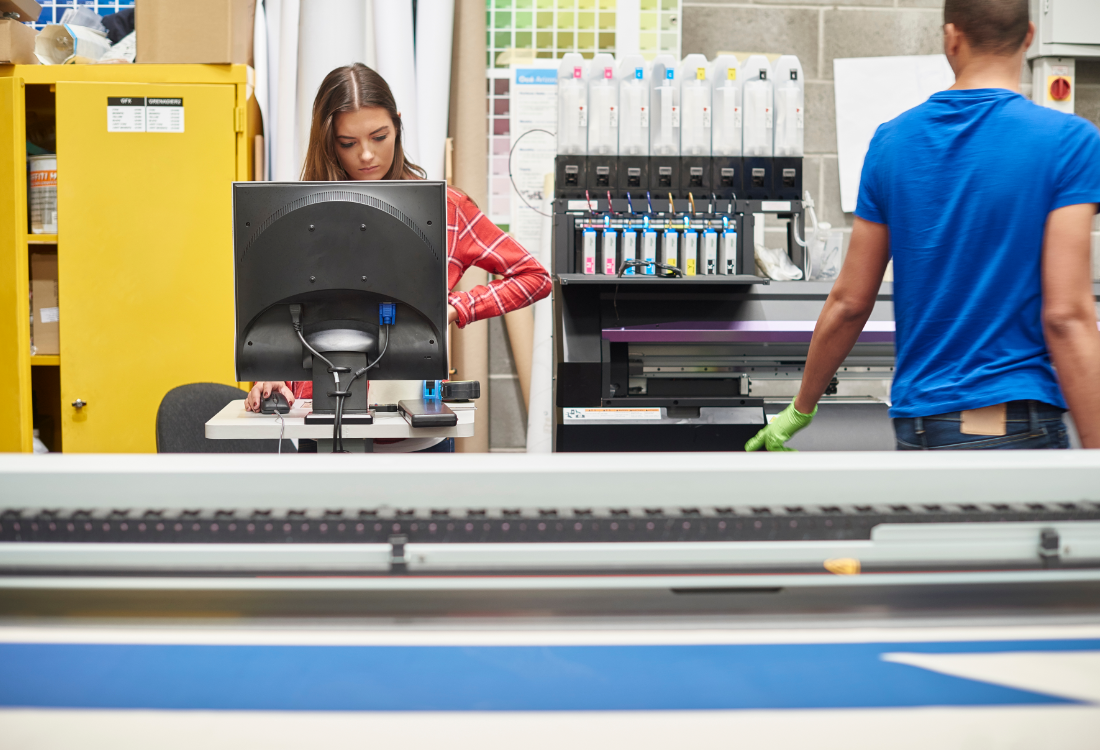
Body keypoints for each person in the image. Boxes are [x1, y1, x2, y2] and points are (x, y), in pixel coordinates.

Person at [747, 0, 1100, 452]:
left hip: (917, 422)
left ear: (951, 37)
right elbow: (1067, 316)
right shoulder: (1068, 143)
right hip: (1009, 420)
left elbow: (850, 303)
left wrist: (800, 409)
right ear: (1028, 36)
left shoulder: (891, 142)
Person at [245, 63, 552, 451]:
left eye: (379, 136)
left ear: (398, 126)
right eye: (348, 143)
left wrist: (456, 307)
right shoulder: (296, 215)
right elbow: (283, 315)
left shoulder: (445, 209)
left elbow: (534, 277)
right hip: (323, 428)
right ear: (327, 141)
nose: (367, 155)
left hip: (418, 435)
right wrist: (274, 375)